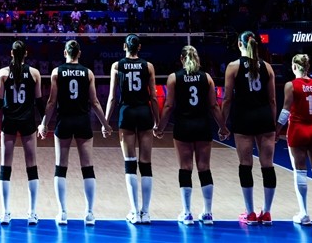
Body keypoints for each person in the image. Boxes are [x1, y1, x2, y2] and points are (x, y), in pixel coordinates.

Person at [37, 39, 112, 226]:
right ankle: (89, 213)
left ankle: (62, 213)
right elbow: (95, 102)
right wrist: (105, 124)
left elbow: (51, 102)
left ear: (65, 53)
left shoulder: (57, 72)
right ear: (79, 53)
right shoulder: (88, 73)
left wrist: (44, 124)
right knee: (88, 167)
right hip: (82, 121)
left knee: (60, 167)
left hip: (64, 121)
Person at [155, 45, 230, 225]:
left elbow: (168, 106)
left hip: (183, 127)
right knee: (204, 168)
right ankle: (208, 213)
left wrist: (160, 127)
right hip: (203, 126)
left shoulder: (174, 78)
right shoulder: (207, 78)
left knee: (185, 168)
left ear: (182, 59)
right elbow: (214, 106)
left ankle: (187, 212)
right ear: (197, 59)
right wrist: (223, 127)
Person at [0, 40, 44, 225]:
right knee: (31, 166)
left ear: (11, 53)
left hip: (9, 121)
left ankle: (5, 212)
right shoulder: (34, 73)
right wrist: (44, 122)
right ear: (26, 53)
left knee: (5, 167)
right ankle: (32, 213)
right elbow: (39, 102)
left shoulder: (3, 73)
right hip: (27, 121)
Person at [222, 30, 277, 225]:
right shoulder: (267, 67)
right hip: (264, 118)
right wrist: (273, 124)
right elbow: (272, 99)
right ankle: (267, 212)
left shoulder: (233, 66)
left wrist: (222, 123)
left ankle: (250, 212)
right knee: (267, 165)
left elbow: (227, 99)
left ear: (240, 44)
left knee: (245, 165)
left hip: (243, 118)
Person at [104, 34, 159, 225]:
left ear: (124, 46)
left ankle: (134, 212)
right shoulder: (148, 66)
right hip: (144, 112)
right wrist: (158, 121)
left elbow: (112, 97)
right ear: (139, 47)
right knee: (146, 164)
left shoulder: (117, 66)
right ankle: (146, 212)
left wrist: (105, 122)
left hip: (126, 112)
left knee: (130, 163)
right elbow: (153, 97)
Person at [275, 54, 312, 226]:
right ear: (308, 67)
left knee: (300, 171)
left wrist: (276, 130)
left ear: (294, 67)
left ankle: (304, 214)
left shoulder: (291, 85)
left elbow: (285, 111)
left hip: (298, 130)